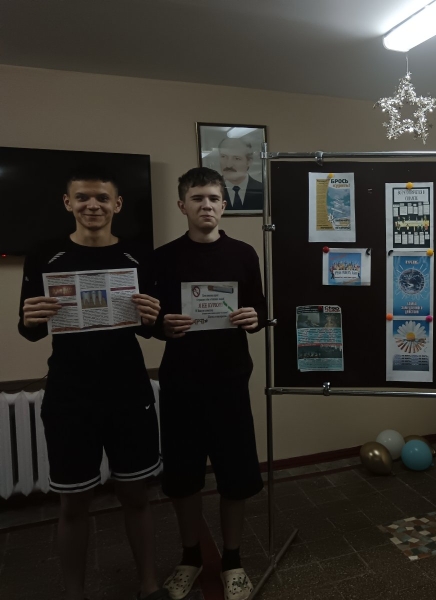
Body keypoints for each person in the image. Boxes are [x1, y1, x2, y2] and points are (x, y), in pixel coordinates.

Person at [17, 167, 166, 600]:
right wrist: (29, 320)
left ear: (116, 204)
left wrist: (153, 318)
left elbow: (151, 330)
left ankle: (149, 585)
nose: (92, 205)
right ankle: (74, 594)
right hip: (70, 393)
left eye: (101, 198)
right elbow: (30, 330)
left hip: (128, 390)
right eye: (82, 197)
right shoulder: (45, 254)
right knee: (72, 502)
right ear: (68, 203)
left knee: (136, 494)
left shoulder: (138, 256)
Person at [153, 167, 267, 600]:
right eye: (197, 198)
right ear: (182, 205)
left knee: (236, 478)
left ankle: (233, 560)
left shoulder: (243, 254)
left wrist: (255, 318)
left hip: (230, 382)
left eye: (214, 198)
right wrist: (162, 327)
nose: (207, 206)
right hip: (181, 385)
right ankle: (191, 557)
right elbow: (148, 320)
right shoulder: (162, 258)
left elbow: (258, 309)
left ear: (224, 205)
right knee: (183, 479)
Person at [217, 137, 264, 211]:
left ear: (249, 162)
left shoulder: (263, 190)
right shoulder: (210, 191)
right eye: (223, 156)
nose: (228, 165)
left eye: (236, 158)